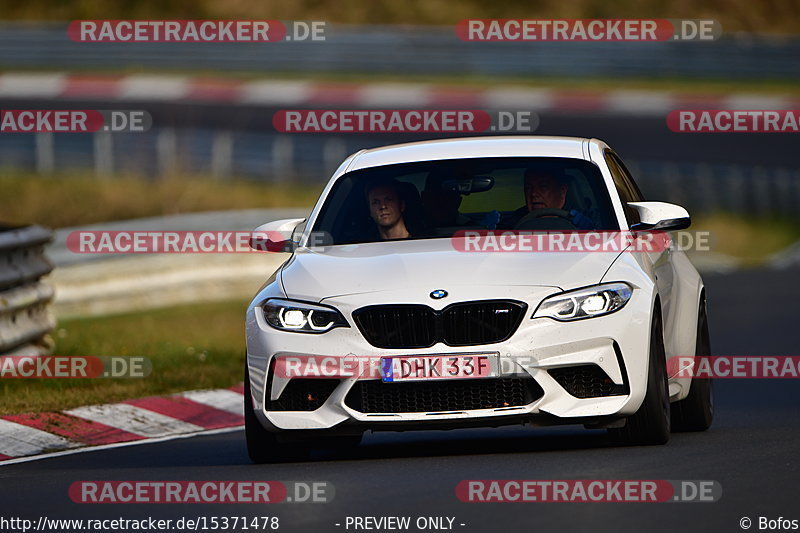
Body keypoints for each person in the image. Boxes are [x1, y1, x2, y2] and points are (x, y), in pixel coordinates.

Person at [506, 168, 594, 229]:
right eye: (529, 188)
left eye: (543, 187)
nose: (533, 193)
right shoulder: (516, 220)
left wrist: (593, 231)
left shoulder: (585, 219)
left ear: (562, 191)